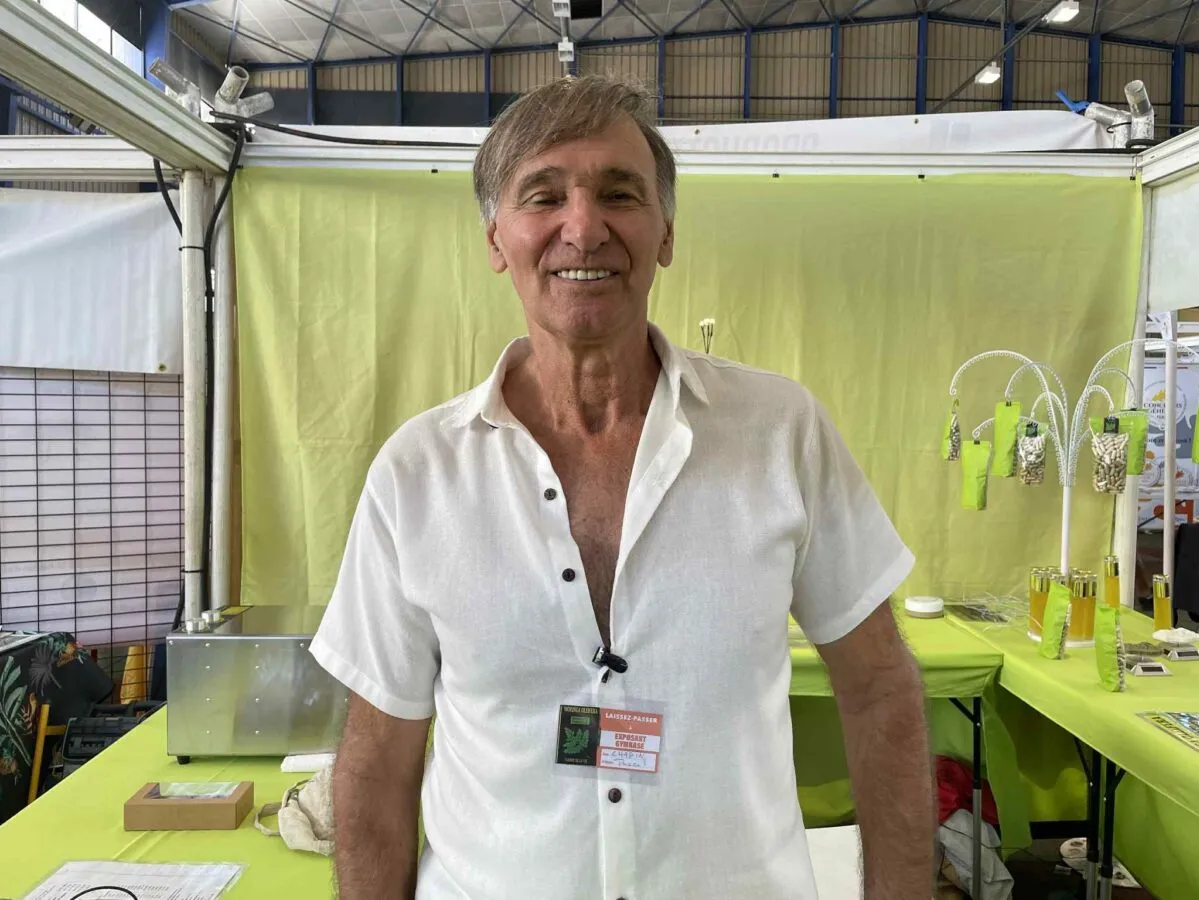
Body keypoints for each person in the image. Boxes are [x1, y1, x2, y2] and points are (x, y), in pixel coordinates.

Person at [310, 74, 934, 900]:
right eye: (544, 196)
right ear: (495, 238)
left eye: (619, 193)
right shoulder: (417, 475)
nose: (583, 227)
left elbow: (882, 690)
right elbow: (377, 762)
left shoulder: (780, 435)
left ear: (665, 230)